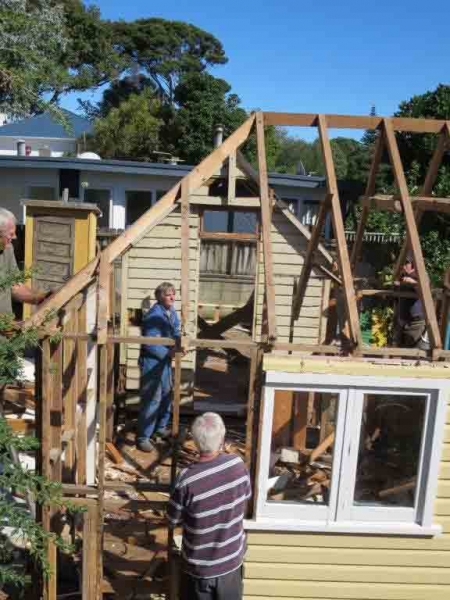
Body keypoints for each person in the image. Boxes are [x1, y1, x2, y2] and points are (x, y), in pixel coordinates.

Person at [167, 412, 251, 600]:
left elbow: (172, 520)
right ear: (222, 438)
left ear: (195, 442)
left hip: (199, 570)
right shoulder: (238, 465)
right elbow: (245, 497)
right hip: (231, 564)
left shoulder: (186, 478)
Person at [137, 282, 180, 452]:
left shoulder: (171, 312)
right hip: (151, 362)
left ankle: (160, 428)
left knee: (166, 394)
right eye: (168, 295)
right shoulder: (154, 316)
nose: (172, 297)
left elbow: (175, 330)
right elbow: (150, 344)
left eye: (173, 294)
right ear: (160, 297)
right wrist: (169, 353)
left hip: (164, 361)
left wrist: (179, 344)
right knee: (152, 399)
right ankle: (143, 437)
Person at [0, 208, 50, 315]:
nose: (15, 237)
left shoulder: (7, 249)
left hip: (5, 322)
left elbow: (15, 286)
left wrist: (41, 298)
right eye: (11, 234)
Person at [394, 257, 427, 348]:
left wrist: (414, 283)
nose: (403, 266)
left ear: (413, 265)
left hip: (416, 321)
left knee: (414, 348)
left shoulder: (421, 275)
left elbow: (425, 290)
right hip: (402, 320)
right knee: (399, 347)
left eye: (406, 263)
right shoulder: (402, 276)